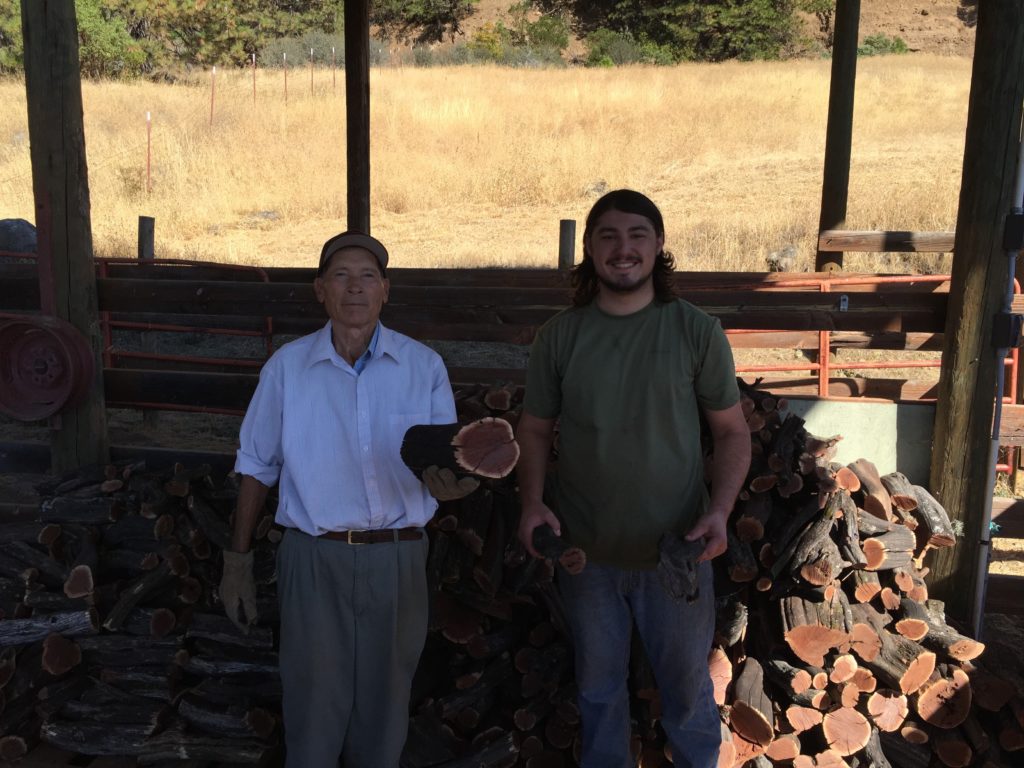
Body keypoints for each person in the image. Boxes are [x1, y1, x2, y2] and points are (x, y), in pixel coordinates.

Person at [218, 231, 478, 768]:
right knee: (313, 717)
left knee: (384, 721)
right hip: (315, 560)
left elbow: (443, 461)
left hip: (399, 559)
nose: (354, 287)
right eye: (341, 275)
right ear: (320, 290)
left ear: (385, 290)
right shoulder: (287, 369)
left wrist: (455, 484)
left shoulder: (423, 367)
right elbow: (256, 464)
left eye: (367, 276)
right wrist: (236, 560)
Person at [516, 189, 752, 768]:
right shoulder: (560, 337)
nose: (623, 249)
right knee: (597, 693)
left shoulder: (696, 331)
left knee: (688, 694)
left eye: (637, 235)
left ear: (659, 245)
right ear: (591, 249)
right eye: (609, 236)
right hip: (586, 554)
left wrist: (719, 511)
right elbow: (535, 428)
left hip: (677, 555)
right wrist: (530, 503)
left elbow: (731, 433)